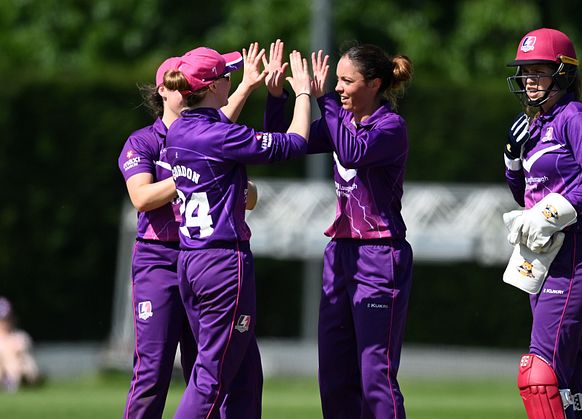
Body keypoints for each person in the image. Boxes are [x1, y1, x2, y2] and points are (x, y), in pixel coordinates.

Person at [265, 43, 414, 419]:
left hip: (380, 256)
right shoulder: (339, 120)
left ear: (375, 83)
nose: (340, 88)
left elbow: (351, 153)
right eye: (338, 81)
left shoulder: (390, 126)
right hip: (341, 255)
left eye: (348, 81)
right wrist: (278, 95)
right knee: (333, 374)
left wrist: (322, 98)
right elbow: (285, 143)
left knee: (373, 374)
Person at [163, 45, 312, 419]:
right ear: (214, 86)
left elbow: (221, 130)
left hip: (192, 263)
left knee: (244, 375)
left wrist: (259, 89)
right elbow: (295, 143)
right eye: (228, 75)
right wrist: (305, 92)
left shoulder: (180, 130)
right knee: (211, 379)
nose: (233, 79)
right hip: (223, 265)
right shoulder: (217, 136)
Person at [117, 45, 261, 419]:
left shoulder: (209, 134)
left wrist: (228, 186)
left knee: (212, 368)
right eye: (175, 81)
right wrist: (190, 179)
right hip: (159, 259)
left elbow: (252, 196)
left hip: (203, 257)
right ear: (163, 90)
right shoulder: (144, 141)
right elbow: (142, 197)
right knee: (153, 370)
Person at [502, 28, 582, 419]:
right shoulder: (536, 125)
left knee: (540, 372)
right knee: (566, 377)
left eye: (540, 71)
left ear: (563, 73)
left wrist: (551, 213)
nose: (530, 79)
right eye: (525, 71)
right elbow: (527, 196)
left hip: (575, 252)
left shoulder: (575, 117)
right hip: (546, 258)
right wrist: (512, 161)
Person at [0, 297, 41, 393]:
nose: (4, 323)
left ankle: (17, 380)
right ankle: (11, 381)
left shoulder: (20, 336)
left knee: (24, 359)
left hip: (20, 369)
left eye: (6, 319)